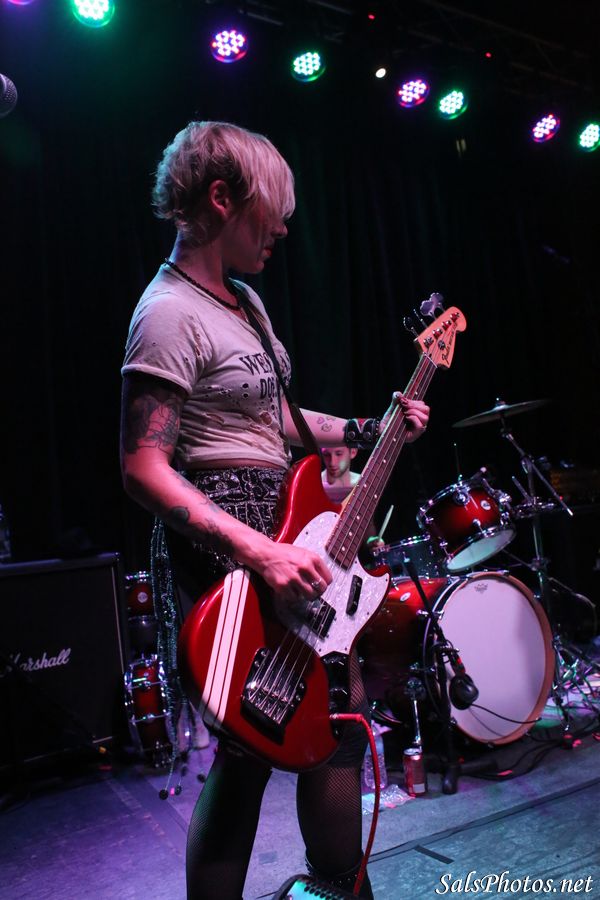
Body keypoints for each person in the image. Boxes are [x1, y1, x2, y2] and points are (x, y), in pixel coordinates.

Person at [120, 120, 429, 900]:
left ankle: (338, 888)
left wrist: (370, 427)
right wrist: (257, 551)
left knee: (336, 717)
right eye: (274, 210)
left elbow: (279, 421)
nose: (285, 228)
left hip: (287, 533)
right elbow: (142, 466)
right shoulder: (167, 312)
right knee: (249, 747)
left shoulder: (247, 302)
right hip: (225, 546)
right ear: (222, 198)